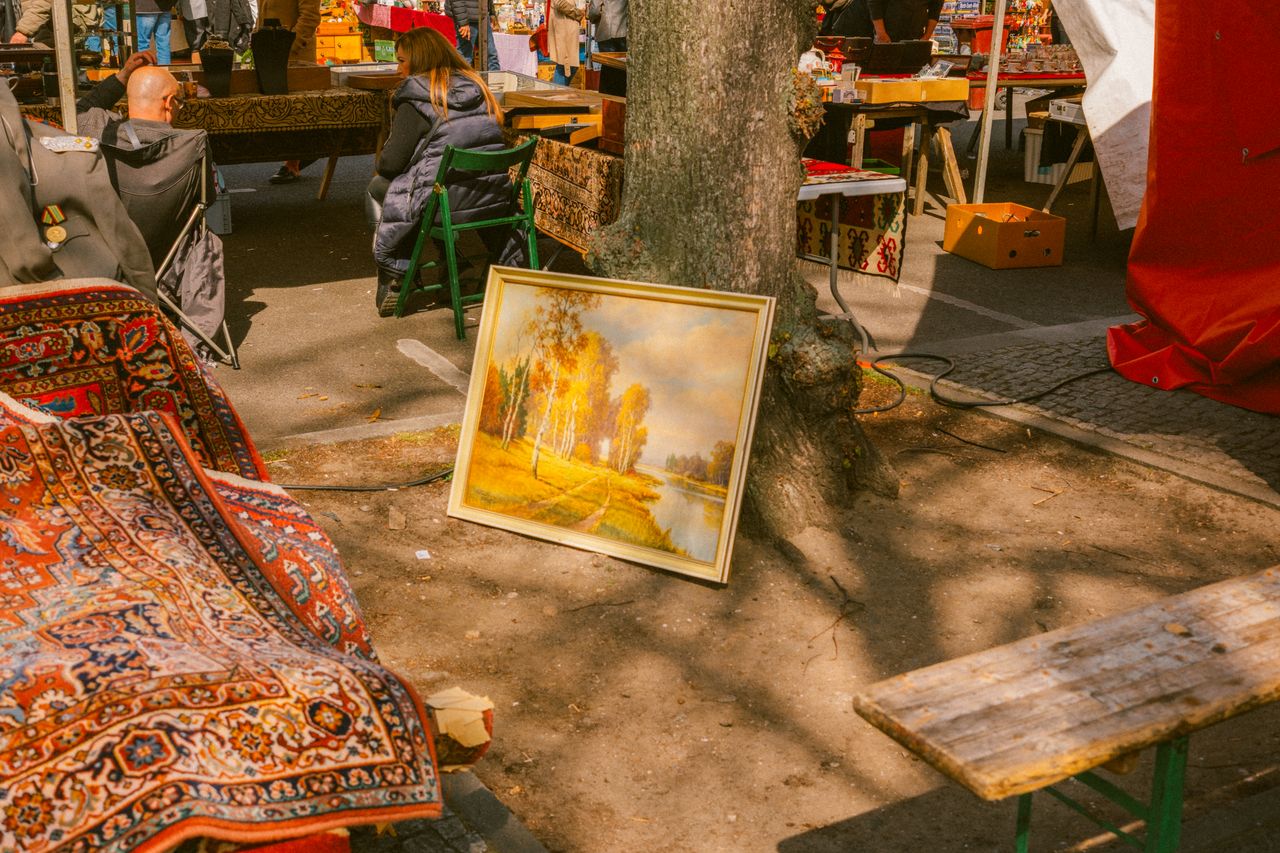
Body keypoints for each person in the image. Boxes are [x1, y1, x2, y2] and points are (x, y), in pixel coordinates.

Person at [367, 26, 524, 317]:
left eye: (402, 61)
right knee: (431, 186)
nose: (398, 68)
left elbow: (389, 164)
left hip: (444, 205)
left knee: (382, 188)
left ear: (420, 59)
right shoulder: (478, 87)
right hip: (492, 199)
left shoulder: (416, 97)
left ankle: (395, 274)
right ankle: (454, 263)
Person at [261, 0, 321, 184]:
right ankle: (297, 157)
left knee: (297, 112)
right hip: (272, 50)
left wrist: (289, 46)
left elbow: (310, 16)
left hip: (294, 56)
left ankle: (294, 162)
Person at [823, 0, 942, 43]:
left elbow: (935, 10)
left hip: (907, 36)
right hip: (861, 28)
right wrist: (881, 33)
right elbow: (874, 3)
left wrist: (926, 37)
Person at [449, 0, 501, 71]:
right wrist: (463, 22)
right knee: (464, 58)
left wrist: (491, 12)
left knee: (491, 55)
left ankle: (495, 81)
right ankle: (462, 81)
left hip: (482, 17)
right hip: (468, 18)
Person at [547, 0, 584, 86]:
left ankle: (561, 94)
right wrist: (578, 13)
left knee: (569, 66)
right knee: (564, 65)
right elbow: (560, 2)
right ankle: (558, 95)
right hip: (564, 28)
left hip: (567, 28)